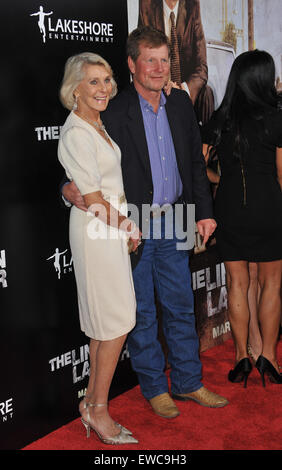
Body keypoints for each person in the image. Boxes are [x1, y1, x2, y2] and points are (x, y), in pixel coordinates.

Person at [62, 26, 229, 419]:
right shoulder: (112, 109)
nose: (157, 68)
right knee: (141, 311)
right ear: (132, 64)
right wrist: (68, 189)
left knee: (181, 306)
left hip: (178, 217)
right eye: (149, 60)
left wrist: (205, 212)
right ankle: (155, 388)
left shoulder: (180, 104)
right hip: (132, 223)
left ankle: (189, 382)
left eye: (163, 60)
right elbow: (86, 164)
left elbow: (193, 162)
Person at [58, 52, 140, 444]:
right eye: (93, 81)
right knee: (116, 321)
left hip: (106, 228)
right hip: (97, 230)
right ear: (74, 88)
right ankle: (99, 410)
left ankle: (92, 403)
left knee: (107, 322)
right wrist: (126, 225)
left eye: (107, 80)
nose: (104, 88)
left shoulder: (96, 126)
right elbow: (91, 197)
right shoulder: (76, 133)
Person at [201, 50, 282, 387]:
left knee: (237, 283)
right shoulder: (277, 118)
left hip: (231, 209)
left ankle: (240, 358)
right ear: (264, 79)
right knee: (271, 285)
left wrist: (223, 180)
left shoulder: (220, 120)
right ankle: (270, 359)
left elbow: (198, 167)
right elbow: (281, 175)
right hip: (269, 208)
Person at [138, 0, 214, 124]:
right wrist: (163, 83)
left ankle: (205, 141)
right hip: (159, 84)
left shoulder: (192, 5)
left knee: (207, 93)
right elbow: (142, 58)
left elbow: (202, 67)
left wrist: (182, 89)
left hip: (184, 87)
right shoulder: (148, 5)